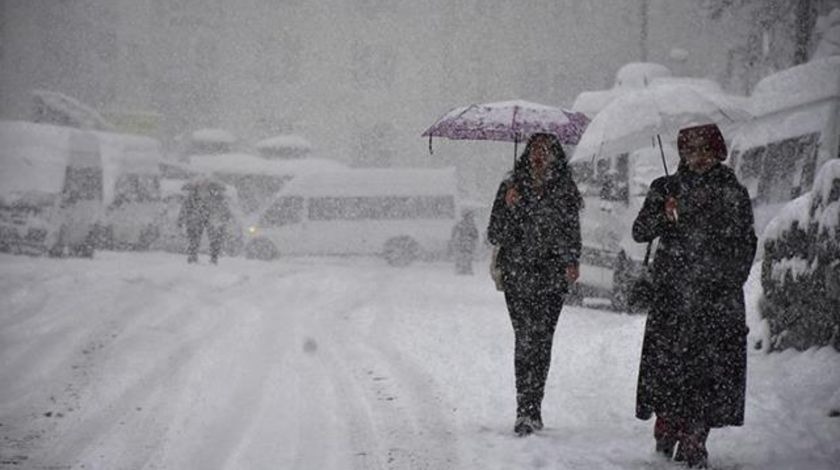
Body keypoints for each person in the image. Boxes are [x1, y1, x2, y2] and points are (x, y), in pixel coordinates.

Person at [632, 123, 757, 468]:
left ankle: (695, 439)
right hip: (673, 298)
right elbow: (640, 231)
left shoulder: (732, 192)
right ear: (682, 153)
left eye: (705, 150)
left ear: (717, 152)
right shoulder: (665, 187)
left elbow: (746, 244)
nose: (699, 158)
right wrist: (662, 213)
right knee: (670, 370)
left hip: (716, 300)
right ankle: (668, 424)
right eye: (691, 150)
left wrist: (728, 280)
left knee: (708, 374)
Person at [487, 133, 582, 436]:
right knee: (525, 338)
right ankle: (523, 410)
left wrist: (571, 260)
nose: (540, 156)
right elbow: (494, 233)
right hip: (518, 275)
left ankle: (534, 406)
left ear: (556, 156)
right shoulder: (510, 188)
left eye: (547, 151)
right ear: (527, 154)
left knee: (542, 341)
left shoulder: (565, 191)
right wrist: (509, 205)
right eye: (535, 150)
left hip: (551, 277)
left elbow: (571, 233)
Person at [177, 179, 232, 264]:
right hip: (198, 219)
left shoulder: (217, 198)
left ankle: (211, 257)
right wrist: (181, 220)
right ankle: (194, 257)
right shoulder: (192, 197)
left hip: (207, 219)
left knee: (212, 239)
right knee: (195, 238)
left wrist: (225, 217)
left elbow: (225, 209)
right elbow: (185, 208)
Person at [450, 209, 479, 274]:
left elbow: (476, 235)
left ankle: (467, 269)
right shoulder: (461, 224)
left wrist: (474, 242)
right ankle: (461, 270)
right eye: (470, 216)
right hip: (463, 244)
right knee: (462, 257)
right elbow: (454, 233)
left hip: (468, 245)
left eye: (472, 217)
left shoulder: (472, 225)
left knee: (468, 258)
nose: (471, 218)